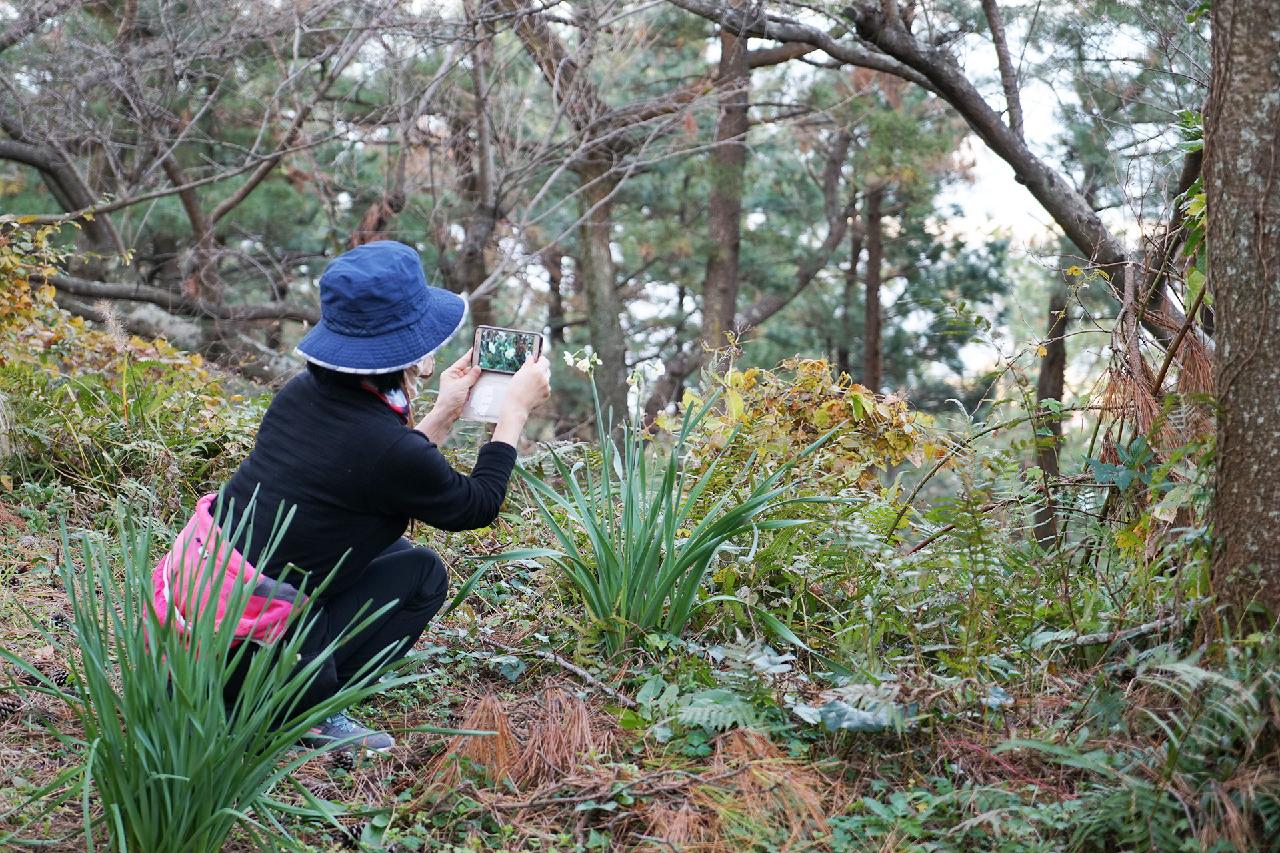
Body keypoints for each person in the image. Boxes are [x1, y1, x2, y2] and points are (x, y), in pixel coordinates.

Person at [203, 240, 549, 752]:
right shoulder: (385, 447)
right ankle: (303, 712)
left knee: (396, 551)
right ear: (408, 346)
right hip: (253, 650)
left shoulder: (303, 394)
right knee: (423, 574)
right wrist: (513, 414)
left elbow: (370, 468)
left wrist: (444, 413)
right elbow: (476, 505)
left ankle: (282, 690)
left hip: (206, 619)